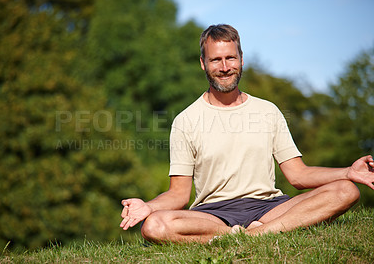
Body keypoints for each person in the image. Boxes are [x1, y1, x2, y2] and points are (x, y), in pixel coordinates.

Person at [119, 24, 374, 243]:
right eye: (215, 60)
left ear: (241, 59)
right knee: (154, 226)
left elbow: (298, 175)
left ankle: (253, 235)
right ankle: (251, 233)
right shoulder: (185, 121)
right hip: (211, 215)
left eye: (230, 58)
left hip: (269, 208)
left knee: (346, 190)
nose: (224, 67)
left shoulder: (268, 110)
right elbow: (178, 194)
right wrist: (148, 206)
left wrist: (348, 172)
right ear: (203, 64)